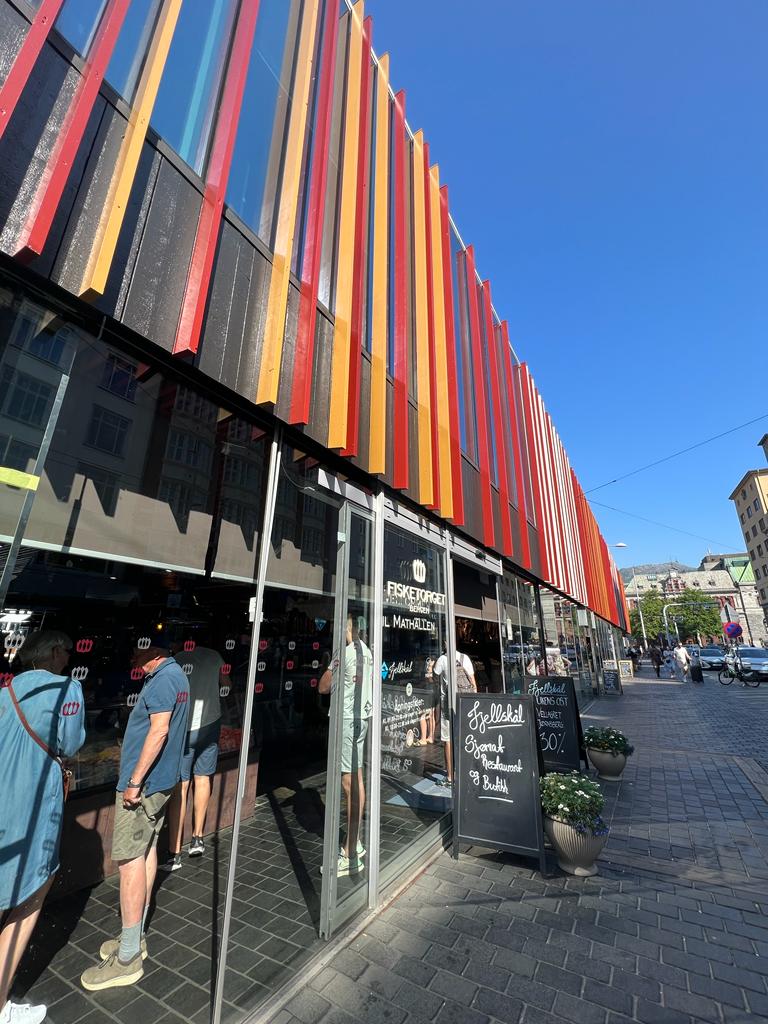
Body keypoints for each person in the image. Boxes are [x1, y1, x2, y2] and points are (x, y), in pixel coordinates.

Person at [80, 638, 189, 992]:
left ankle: (127, 958)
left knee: (128, 862)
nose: (133, 656)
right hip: (163, 782)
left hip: (145, 786)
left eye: (139, 651)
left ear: (156, 653)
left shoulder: (162, 681)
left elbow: (159, 732)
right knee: (146, 854)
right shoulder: (177, 677)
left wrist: (134, 782)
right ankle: (136, 936)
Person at [1, 630, 85, 1024]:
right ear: (53, 651)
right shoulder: (68, 689)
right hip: (32, 802)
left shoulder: (9, 688)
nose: (68, 658)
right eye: (66, 650)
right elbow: (70, 744)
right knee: (29, 896)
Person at [160, 644, 226, 871]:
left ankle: (174, 852)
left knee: (182, 784)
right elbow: (226, 684)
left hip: (186, 726)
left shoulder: (177, 658)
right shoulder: (215, 655)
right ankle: (197, 837)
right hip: (211, 721)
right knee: (203, 777)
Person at [318, 616, 373, 877]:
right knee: (358, 777)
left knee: (349, 783)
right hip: (362, 718)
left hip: (348, 719)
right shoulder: (368, 652)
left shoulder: (345, 652)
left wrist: (328, 666)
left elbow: (324, 687)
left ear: (348, 629)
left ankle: (349, 852)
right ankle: (357, 840)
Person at [433, 641, 476, 789]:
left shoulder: (442, 660)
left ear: (445, 643)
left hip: (449, 705)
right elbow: (473, 682)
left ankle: (450, 777)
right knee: (466, 738)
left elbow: (433, 678)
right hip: (465, 704)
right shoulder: (464, 658)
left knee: (448, 740)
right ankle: (468, 772)